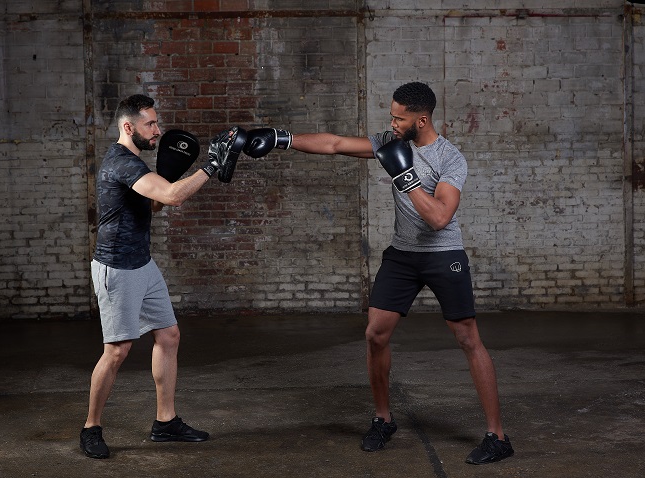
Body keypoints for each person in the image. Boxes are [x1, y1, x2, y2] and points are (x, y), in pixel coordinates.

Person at [240, 82, 514, 465]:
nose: (392, 122)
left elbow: (439, 218)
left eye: (398, 118)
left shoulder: (450, 158)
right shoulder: (390, 140)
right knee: (375, 334)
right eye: (391, 115)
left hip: (442, 254)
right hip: (402, 256)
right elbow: (335, 144)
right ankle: (383, 419)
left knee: (468, 338)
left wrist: (406, 178)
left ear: (421, 119)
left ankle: (497, 436)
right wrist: (280, 138)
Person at [80, 94, 234, 459]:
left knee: (168, 335)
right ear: (128, 127)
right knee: (117, 351)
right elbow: (171, 198)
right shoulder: (121, 163)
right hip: (117, 268)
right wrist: (210, 166)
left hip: (143, 264)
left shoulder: (135, 164)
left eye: (156, 122)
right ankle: (91, 427)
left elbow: (155, 202)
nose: (158, 130)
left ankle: (165, 422)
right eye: (150, 124)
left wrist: (171, 179)